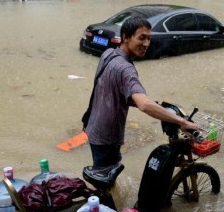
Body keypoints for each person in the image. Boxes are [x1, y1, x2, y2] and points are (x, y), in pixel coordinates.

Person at [83, 15, 198, 171]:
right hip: (107, 138)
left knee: (103, 175)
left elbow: (112, 89)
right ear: (125, 37)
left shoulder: (109, 53)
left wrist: (153, 105)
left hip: (93, 126)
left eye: (149, 39)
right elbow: (144, 105)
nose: (146, 44)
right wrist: (182, 122)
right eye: (142, 38)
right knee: (106, 183)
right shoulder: (126, 69)